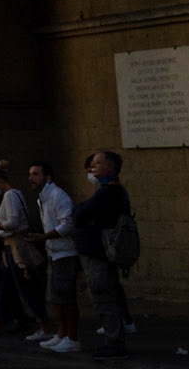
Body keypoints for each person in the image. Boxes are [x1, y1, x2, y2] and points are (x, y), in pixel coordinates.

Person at [73, 151, 131, 359]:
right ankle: (114, 340)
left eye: (98, 163)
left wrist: (84, 214)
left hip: (98, 253)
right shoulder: (108, 192)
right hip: (99, 252)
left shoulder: (108, 193)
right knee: (106, 296)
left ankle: (114, 343)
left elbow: (79, 215)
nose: (92, 167)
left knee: (103, 298)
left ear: (110, 167)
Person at [0, 164, 47, 340]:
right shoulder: (15, 194)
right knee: (9, 283)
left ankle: (43, 324)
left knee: (25, 287)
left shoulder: (10, 196)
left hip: (15, 244)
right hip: (11, 244)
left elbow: (12, 222)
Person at [30, 161, 82, 355]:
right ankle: (61, 334)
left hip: (65, 252)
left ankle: (73, 338)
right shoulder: (42, 198)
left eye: (35, 174)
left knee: (66, 297)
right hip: (54, 252)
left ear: (48, 177)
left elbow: (68, 224)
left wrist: (44, 237)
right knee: (55, 297)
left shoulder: (58, 196)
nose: (31, 178)